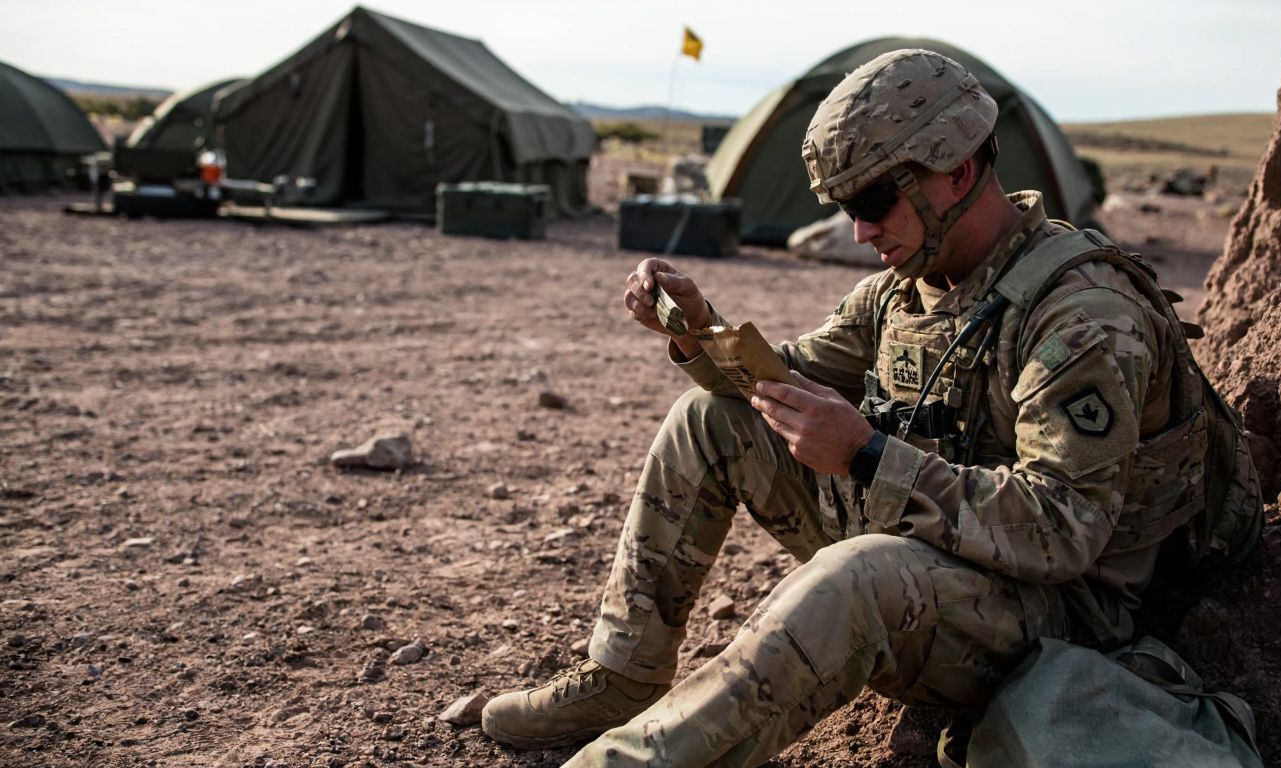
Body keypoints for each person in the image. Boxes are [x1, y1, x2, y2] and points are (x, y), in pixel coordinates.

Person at [481, 48, 1237, 766]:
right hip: (946, 552)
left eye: (876, 199)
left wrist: (870, 456)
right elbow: (779, 383)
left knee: (860, 576)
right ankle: (622, 679)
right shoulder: (906, 288)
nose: (859, 230)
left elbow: (1063, 531)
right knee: (710, 422)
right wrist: (695, 324)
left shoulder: (1079, 316)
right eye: (847, 204)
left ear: (958, 170)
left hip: (1069, 615)